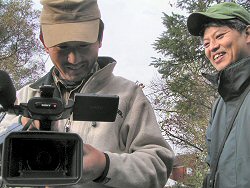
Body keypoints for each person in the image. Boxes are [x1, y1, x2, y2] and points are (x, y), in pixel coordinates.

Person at [0, 0, 174, 187]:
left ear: (100, 38)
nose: (74, 59)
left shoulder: (128, 96)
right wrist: (21, 124)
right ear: (44, 42)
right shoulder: (24, 97)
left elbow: (158, 165)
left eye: (83, 45)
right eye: (63, 46)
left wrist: (105, 166)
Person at [187, 2, 250, 188]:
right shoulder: (218, 106)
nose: (212, 47)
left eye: (220, 36)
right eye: (206, 43)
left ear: (247, 34)